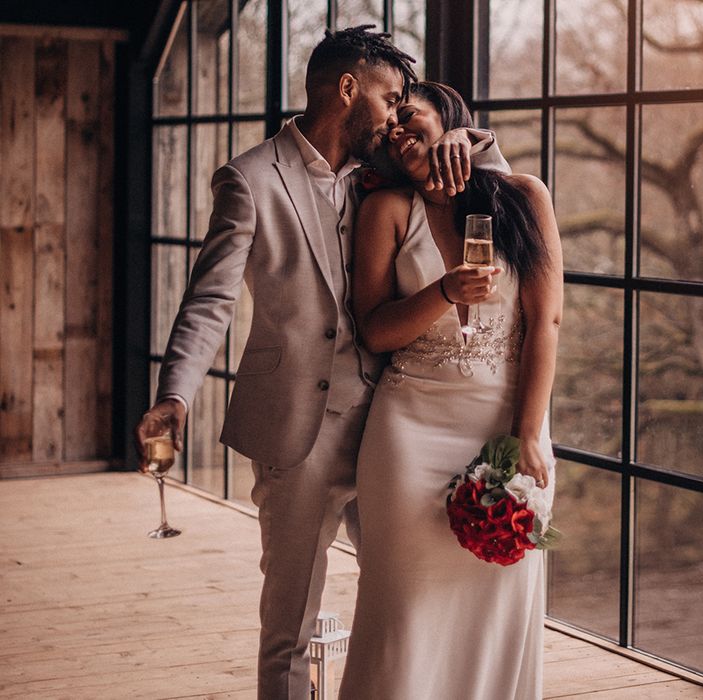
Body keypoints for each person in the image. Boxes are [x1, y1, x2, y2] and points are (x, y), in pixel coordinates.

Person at [133, 27, 509, 699]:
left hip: (392, 428)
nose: (397, 115)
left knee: (410, 599)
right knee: (292, 631)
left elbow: (486, 184)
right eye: (390, 97)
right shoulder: (250, 179)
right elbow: (209, 300)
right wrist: (176, 394)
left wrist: (471, 139)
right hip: (296, 433)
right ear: (346, 88)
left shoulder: (384, 175)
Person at [338, 81, 563, 700]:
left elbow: (545, 322)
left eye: (408, 115)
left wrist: (527, 435)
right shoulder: (387, 210)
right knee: (402, 609)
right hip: (409, 435)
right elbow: (375, 330)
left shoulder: (524, 196)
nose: (397, 131)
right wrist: (441, 294)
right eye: (388, 131)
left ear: (453, 121)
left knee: (495, 608)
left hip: (506, 426)